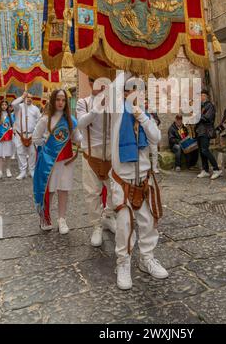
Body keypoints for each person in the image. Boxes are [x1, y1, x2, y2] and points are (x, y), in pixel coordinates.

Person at [110, 74, 168, 290]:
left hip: (143, 180)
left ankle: (147, 258)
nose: (135, 93)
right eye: (130, 90)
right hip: (123, 181)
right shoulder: (115, 113)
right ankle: (123, 263)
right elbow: (114, 86)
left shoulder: (145, 115)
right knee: (124, 225)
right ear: (123, 93)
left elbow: (155, 137)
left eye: (139, 90)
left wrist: (141, 116)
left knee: (148, 222)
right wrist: (127, 65)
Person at [33, 89, 82, 233]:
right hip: (50, 162)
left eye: (63, 100)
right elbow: (36, 138)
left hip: (66, 160)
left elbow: (77, 138)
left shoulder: (70, 120)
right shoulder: (45, 119)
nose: (60, 102)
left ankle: (62, 219)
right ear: (53, 101)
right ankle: (45, 217)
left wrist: (89, 137)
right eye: (58, 99)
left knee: (63, 189)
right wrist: (47, 152)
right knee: (50, 190)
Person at [76, 77, 116, 247]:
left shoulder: (112, 103)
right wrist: (97, 107)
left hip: (111, 154)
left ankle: (107, 215)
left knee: (116, 190)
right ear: (91, 84)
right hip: (91, 153)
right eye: (95, 82)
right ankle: (96, 226)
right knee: (92, 193)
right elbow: (81, 123)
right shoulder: (82, 102)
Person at [12, 92, 40, 180]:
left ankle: (31, 170)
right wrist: (22, 96)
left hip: (32, 135)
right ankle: (22, 171)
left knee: (32, 153)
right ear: (24, 98)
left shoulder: (35, 109)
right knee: (20, 153)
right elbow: (13, 103)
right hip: (20, 134)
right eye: (27, 97)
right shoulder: (19, 107)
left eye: (31, 97)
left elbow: (39, 121)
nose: (29, 99)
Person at [196, 90, 222, 180]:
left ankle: (216, 169)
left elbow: (207, 118)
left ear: (207, 97)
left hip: (206, 131)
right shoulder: (200, 107)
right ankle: (205, 170)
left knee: (205, 150)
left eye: (203, 95)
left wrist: (196, 116)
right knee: (201, 151)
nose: (202, 97)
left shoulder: (210, 105)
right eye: (200, 95)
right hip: (199, 131)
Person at [0, 100, 15, 180]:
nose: (4, 106)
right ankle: (0, 171)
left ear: (7, 106)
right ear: (0, 106)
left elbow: (13, 126)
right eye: (2, 105)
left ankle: (8, 169)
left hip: (8, 138)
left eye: (5, 104)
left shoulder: (11, 115)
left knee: (8, 154)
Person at [144, 98, 161, 174]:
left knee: (154, 152)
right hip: (145, 135)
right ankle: (146, 168)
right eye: (145, 103)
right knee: (145, 152)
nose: (146, 104)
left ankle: (154, 167)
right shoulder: (142, 112)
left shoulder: (153, 112)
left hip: (153, 135)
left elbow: (158, 122)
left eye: (147, 103)